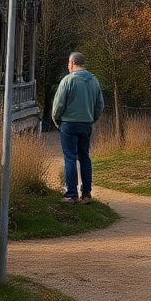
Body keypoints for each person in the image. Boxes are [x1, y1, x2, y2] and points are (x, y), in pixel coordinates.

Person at [52, 51, 105, 204]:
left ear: (73, 63)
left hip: (68, 123)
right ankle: (87, 193)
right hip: (86, 123)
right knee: (85, 157)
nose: (68, 66)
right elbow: (100, 105)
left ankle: (71, 194)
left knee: (70, 158)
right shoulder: (94, 81)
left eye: (69, 63)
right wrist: (92, 118)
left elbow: (58, 105)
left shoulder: (68, 81)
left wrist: (57, 120)